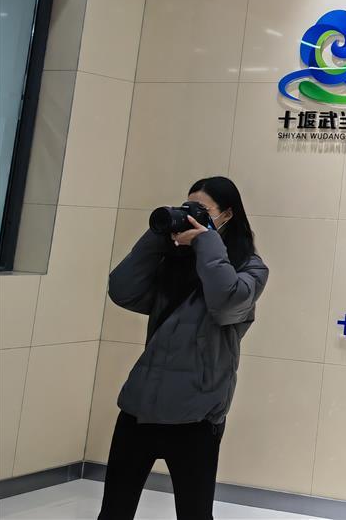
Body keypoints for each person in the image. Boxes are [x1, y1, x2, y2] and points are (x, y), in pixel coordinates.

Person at [98, 176, 268, 520]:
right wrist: (157, 236)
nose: (191, 216)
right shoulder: (172, 263)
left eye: (202, 210)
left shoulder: (250, 269)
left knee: (194, 515)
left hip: (196, 416)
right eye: (187, 207)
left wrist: (206, 242)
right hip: (141, 408)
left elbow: (225, 302)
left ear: (227, 215)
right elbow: (122, 290)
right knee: (114, 512)